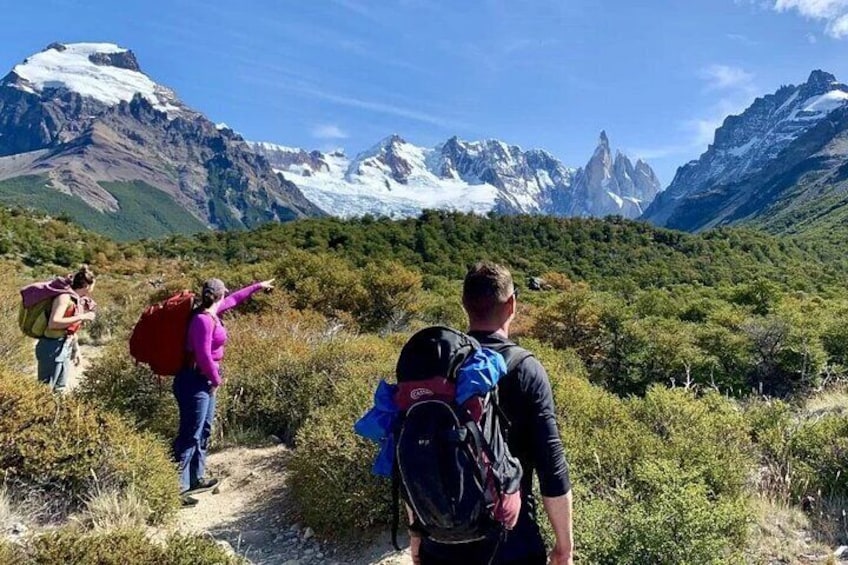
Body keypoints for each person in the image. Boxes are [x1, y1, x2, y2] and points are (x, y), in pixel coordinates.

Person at [413, 262, 574, 565]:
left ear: (464, 305)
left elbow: (417, 454)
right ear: (512, 304)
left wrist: (416, 537)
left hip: (441, 545)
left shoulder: (438, 368)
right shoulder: (526, 369)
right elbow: (552, 470)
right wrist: (564, 547)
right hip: (512, 545)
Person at [174, 277, 274, 506]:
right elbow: (203, 355)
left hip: (203, 381)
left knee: (204, 430)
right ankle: (175, 490)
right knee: (190, 434)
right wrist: (216, 379)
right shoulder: (202, 320)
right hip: (194, 381)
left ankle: (195, 479)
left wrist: (259, 286)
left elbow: (235, 299)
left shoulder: (212, 312)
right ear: (218, 294)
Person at [35, 265, 97, 393]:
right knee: (45, 389)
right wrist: (83, 316)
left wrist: (76, 350)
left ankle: (55, 413)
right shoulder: (64, 298)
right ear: (86, 285)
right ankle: (40, 412)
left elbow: (70, 329)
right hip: (52, 346)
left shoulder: (76, 299)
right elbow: (54, 323)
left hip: (64, 345)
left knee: (59, 389)